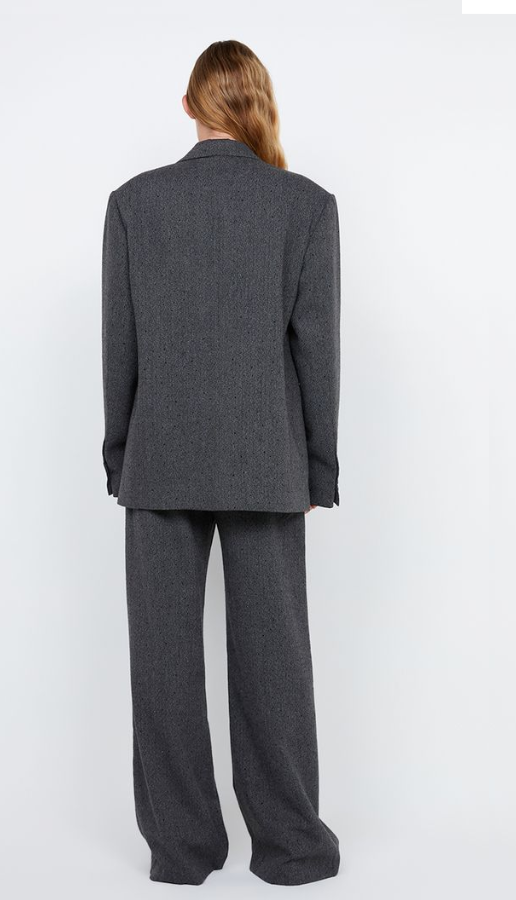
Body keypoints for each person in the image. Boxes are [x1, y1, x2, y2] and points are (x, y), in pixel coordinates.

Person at [101, 39, 341, 887]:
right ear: (258, 104)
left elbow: (120, 347)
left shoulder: (133, 204)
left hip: (160, 458)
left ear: (189, 105)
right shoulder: (305, 205)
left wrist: (120, 454)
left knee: (162, 662)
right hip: (267, 461)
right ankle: (292, 848)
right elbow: (317, 351)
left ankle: (182, 850)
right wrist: (318, 469)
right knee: (276, 662)